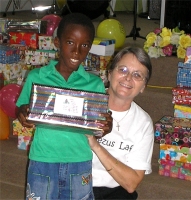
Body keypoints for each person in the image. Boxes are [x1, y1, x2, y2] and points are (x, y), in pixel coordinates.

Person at [16, 13, 112, 199]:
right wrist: (22, 113)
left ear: (90, 47)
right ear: (58, 43)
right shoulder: (37, 77)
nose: (77, 51)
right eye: (70, 42)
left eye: (84, 45)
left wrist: (105, 127)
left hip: (79, 160)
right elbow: (21, 107)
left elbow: (98, 126)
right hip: (43, 159)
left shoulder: (95, 85)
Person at [86, 47, 154, 199]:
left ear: (143, 87)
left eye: (137, 75)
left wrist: (95, 145)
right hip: (73, 183)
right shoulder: (86, 103)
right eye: (123, 69)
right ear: (109, 74)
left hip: (114, 192)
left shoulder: (143, 123)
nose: (128, 78)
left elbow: (131, 183)